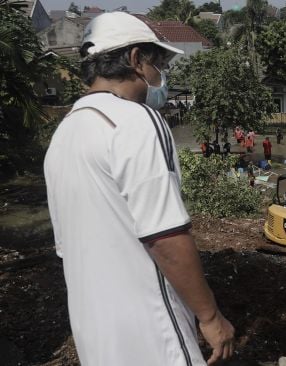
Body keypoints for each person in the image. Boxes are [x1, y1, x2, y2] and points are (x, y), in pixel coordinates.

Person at [43, 12, 234, 366]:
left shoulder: (66, 132)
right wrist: (209, 317)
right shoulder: (135, 120)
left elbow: (67, 248)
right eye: (158, 62)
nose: (161, 74)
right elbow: (165, 236)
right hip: (150, 329)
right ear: (135, 60)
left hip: (94, 332)